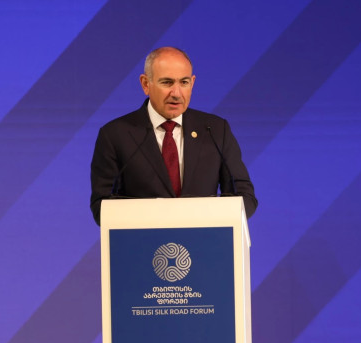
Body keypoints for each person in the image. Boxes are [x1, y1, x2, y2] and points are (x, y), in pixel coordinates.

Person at [89, 47, 257, 225]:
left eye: (184, 82)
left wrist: (209, 221)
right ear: (146, 84)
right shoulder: (115, 135)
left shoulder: (215, 130)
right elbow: (102, 206)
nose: (176, 93)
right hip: (144, 240)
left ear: (192, 83)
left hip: (204, 239)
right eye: (167, 83)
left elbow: (244, 196)